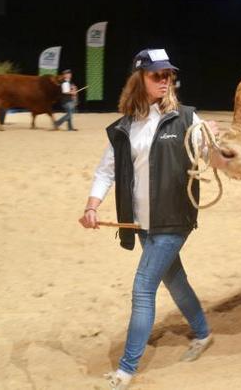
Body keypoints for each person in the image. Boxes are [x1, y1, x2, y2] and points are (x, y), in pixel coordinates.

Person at [79, 48, 217, 390]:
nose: (164, 80)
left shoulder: (186, 118)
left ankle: (125, 371)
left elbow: (210, 156)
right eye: (157, 75)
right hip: (140, 224)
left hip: (174, 222)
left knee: (143, 288)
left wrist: (213, 140)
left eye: (168, 75)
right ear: (139, 78)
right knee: (175, 280)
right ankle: (202, 333)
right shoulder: (124, 128)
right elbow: (105, 171)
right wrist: (92, 206)